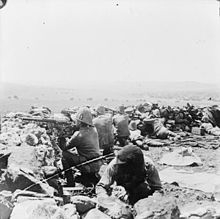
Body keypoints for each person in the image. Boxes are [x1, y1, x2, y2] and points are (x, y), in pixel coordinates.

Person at [96, 144, 162, 205]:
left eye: (123, 166)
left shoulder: (148, 165)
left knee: (143, 188)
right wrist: (105, 201)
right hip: (122, 189)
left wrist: (148, 203)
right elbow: (101, 186)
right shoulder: (114, 165)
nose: (119, 167)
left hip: (138, 189)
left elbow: (158, 189)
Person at [62, 107, 102, 187]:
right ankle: (86, 176)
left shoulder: (78, 135)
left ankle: (70, 183)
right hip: (97, 163)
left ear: (80, 122)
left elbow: (65, 147)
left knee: (64, 155)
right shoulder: (94, 130)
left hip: (88, 165)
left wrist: (61, 136)